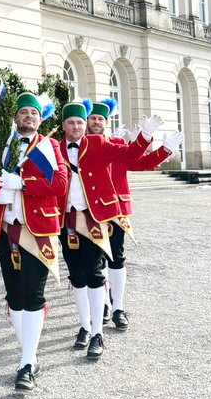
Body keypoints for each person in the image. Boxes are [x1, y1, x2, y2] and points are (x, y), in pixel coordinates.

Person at [0, 93, 68, 392]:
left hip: (38, 229)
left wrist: (24, 184)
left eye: (34, 113)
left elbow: (60, 184)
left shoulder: (49, 146)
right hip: (6, 229)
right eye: (24, 112)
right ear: (15, 118)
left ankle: (27, 362)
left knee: (32, 293)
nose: (29, 117)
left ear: (40, 119)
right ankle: (29, 353)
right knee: (14, 295)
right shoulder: (1, 146)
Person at [58, 102, 161, 359]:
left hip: (95, 218)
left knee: (95, 274)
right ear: (63, 126)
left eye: (80, 122)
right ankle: (84, 327)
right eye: (71, 122)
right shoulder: (52, 148)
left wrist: (145, 135)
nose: (76, 126)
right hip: (65, 221)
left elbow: (131, 154)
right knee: (76, 276)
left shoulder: (97, 144)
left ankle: (97, 333)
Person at [86, 99, 184, 329]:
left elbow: (140, 163)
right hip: (90, 210)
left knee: (117, 258)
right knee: (96, 260)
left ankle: (118, 307)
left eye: (101, 119)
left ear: (106, 122)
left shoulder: (117, 143)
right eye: (93, 118)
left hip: (116, 210)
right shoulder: (82, 146)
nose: (97, 122)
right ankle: (104, 304)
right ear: (87, 121)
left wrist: (165, 149)